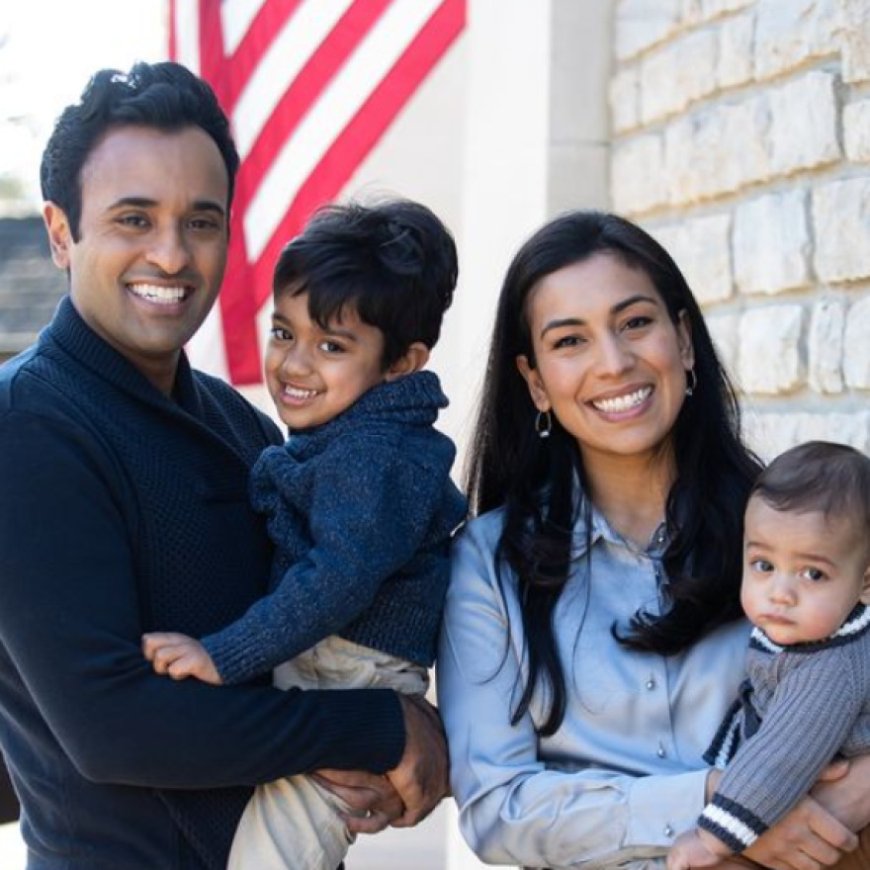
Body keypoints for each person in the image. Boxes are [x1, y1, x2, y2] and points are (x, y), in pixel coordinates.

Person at [0, 61, 448, 870]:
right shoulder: (29, 424)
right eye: (134, 219)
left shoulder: (240, 421)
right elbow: (111, 729)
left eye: (201, 222)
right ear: (61, 232)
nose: (171, 256)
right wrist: (386, 728)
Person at [436, 210, 870, 870]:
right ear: (535, 383)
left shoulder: (798, 538)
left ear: (685, 341)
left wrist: (834, 806)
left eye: (635, 323)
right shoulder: (488, 563)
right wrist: (724, 806)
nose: (614, 363)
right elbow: (498, 811)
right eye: (570, 341)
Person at [141, 199, 467, 870]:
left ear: (402, 362)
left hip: (348, 670)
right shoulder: (347, 436)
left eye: (332, 346)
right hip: (326, 663)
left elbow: (335, 580)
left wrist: (224, 654)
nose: (294, 364)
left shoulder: (374, 456)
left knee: (274, 855)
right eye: (283, 332)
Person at [668, 442, 870, 870]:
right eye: (763, 565)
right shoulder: (803, 637)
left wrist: (709, 838)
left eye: (812, 573)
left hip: (847, 837)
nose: (780, 593)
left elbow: (780, 756)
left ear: (865, 584)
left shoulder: (833, 666)